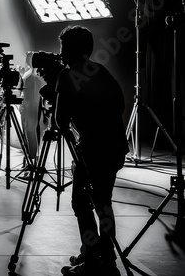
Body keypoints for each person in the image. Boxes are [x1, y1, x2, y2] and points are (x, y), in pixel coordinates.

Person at [54, 25, 128, 276]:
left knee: (80, 202)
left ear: (72, 49)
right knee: (103, 204)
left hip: (93, 151)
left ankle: (96, 259)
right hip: (115, 147)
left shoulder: (68, 75)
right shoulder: (101, 71)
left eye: (63, 47)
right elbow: (120, 105)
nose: (60, 52)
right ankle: (101, 255)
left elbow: (59, 121)